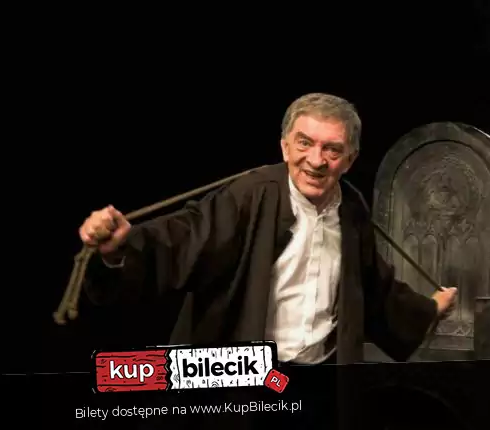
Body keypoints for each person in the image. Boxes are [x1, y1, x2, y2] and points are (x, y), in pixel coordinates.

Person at [78, 93, 458, 429]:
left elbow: (373, 286)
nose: (316, 161)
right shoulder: (250, 195)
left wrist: (427, 310)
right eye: (304, 143)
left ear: (350, 159)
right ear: (284, 146)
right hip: (254, 382)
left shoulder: (352, 209)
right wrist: (119, 248)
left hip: (319, 381)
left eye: (332, 149)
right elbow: (185, 236)